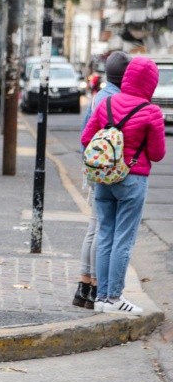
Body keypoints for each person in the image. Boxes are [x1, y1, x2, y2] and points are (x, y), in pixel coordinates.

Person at [81, 56, 166, 315]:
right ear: (151, 83)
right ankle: (114, 297)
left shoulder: (105, 102)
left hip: (104, 178)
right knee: (123, 239)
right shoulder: (151, 112)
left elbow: (86, 138)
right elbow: (158, 153)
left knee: (105, 234)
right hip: (132, 179)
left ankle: (101, 297)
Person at [73, 51, 130, 310]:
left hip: (94, 165)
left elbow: (86, 132)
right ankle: (96, 285)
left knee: (93, 227)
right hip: (109, 169)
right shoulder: (118, 99)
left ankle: (83, 285)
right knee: (102, 228)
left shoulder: (98, 96)